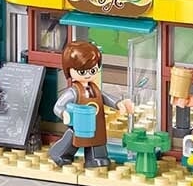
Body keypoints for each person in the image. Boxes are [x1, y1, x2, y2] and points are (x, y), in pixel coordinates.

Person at [50, 40, 134, 168]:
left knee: (97, 138)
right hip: (80, 122)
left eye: (93, 70)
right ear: (69, 71)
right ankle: (60, 153)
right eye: (82, 72)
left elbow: (105, 97)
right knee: (73, 139)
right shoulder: (73, 92)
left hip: (96, 122)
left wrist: (119, 103)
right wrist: (64, 113)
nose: (88, 74)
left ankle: (96, 158)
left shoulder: (95, 89)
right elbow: (58, 107)